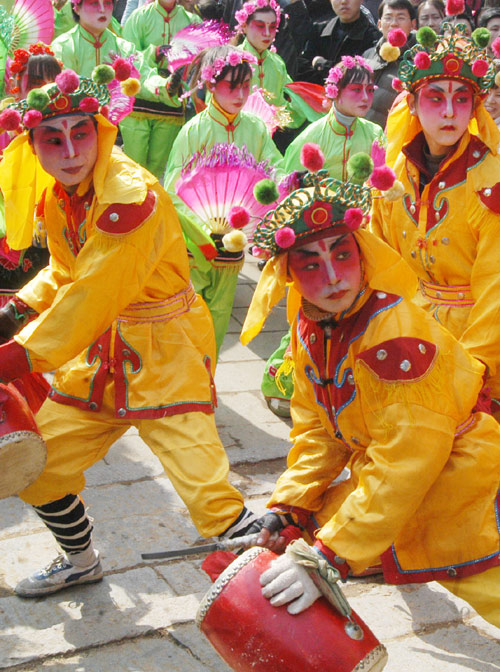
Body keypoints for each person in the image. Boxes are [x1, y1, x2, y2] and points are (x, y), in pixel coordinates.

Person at [0, 69, 256, 598]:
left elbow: (92, 293)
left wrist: (17, 357)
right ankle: (80, 561)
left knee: (211, 497)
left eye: (81, 133)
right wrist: (18, 307)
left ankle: (284, 618)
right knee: (42, 464)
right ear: (34, 145)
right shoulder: (63, 195)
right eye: (53, 138)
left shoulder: (128, 199)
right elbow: (69, 271)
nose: (70, 150)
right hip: (99, 356)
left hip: (166, 351)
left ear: (102, 131)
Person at [240, 149, 500, 630]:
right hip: (389, 475)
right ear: (287, 275)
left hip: (454, 477)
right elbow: (317, 431)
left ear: (362, 254)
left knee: (481, 578)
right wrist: (291, 505)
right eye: (311, 264)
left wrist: (328, 557)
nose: (334, 276)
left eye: (343, 253)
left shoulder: (395, 340)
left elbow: (406, 461)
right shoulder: (311, 326)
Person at [370, 20, 500, 420]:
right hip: (406, 333)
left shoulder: (490, 183)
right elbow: (379, 263)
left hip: (473, 342)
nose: (449, 112)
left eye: (462, 99)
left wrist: (471, 370)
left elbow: (496, 292)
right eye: (435, 97)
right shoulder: (392, 177)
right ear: (411, 104)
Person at [261, 56, 385, 416]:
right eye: (355, 89)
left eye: (368, 89)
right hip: (314, 241)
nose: (364, 97)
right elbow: (287, 185)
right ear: (334, 91)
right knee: (308, 311)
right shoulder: (313, 136)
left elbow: (382, 177)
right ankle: (285, 383)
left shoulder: (374, 134)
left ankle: (346, 388)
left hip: (358, 239)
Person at [164, 45, 284, 357]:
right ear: (211, 84)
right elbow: (172, 191)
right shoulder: (195, 130)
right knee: (187, 314)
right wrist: (202, 238)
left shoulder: (256, 128)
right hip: (195, 247)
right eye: (232, 85)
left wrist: (274, 193)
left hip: (234, 245)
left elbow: (276, 169)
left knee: (219, 319)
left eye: (246, 86)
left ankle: (207, 382)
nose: (241, 94)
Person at [121, 0, 202, 177]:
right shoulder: (139, 17)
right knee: (134, 166)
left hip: (172, 99)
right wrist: (154, 53)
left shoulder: (191, 21)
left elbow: (198, 60)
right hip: (139, 98)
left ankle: (155, 203)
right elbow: (127, 56)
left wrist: (185, 68)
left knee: (158, 168)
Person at [298, 0, 382, 85]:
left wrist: (321, 65)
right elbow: (302, 70)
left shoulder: (373, 37)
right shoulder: (319, 31)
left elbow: (359, 77)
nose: (344, 2)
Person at [363, 0, 417, 128]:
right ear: (379, 24)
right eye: (388, 18)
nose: (394, 23)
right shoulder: (368, 55)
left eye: (401, 18)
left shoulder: (418, 62)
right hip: (359, 135)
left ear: (413, 24)